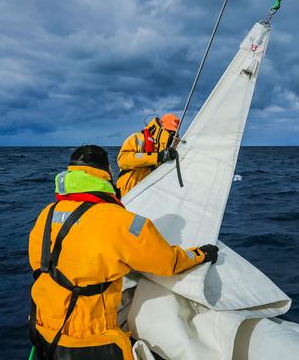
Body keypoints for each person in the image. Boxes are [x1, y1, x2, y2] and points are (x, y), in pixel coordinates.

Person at [28, 145, 218, 360]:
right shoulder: (121, 221)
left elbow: (38, 264)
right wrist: (200, 254)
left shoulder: (46, 214)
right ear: (107, 172)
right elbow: (167, 262)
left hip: (41, 328)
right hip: (91, 341)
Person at [116, 113, 181, 197]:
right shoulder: (138, 138)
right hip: (125, 195)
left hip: (146, 198)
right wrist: (157, 157)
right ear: (160, 127)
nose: (170, 135)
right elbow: (123, 160)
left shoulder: (170, 151)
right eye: (169, 131)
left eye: (173, 133)